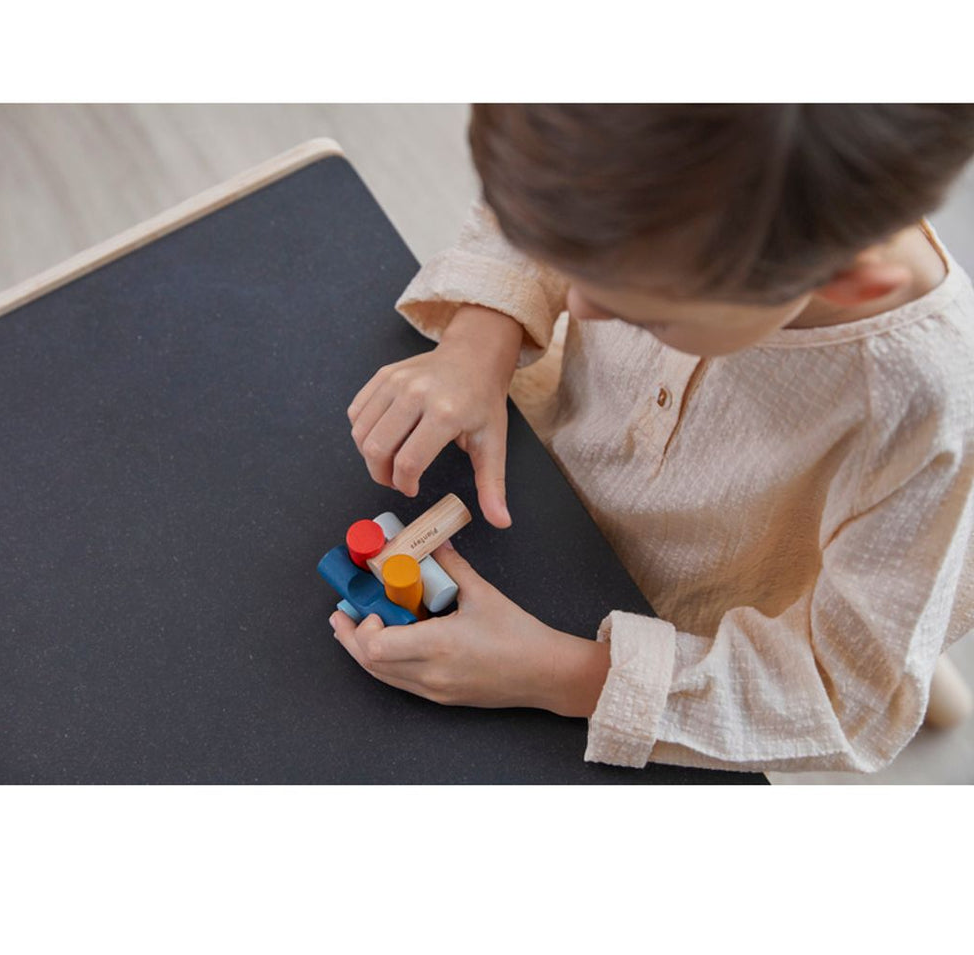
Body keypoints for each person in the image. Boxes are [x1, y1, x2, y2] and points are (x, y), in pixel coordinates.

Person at [331, 104, 974, 774]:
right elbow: (544, 199)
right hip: (536, 461)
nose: (576, 307)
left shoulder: (926, 404)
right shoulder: (624, 129)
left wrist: (557, 676)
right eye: (569, 260)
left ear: (848, 283)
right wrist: (479, 336)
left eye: (646, 310)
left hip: (670, 626)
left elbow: (844, 696)